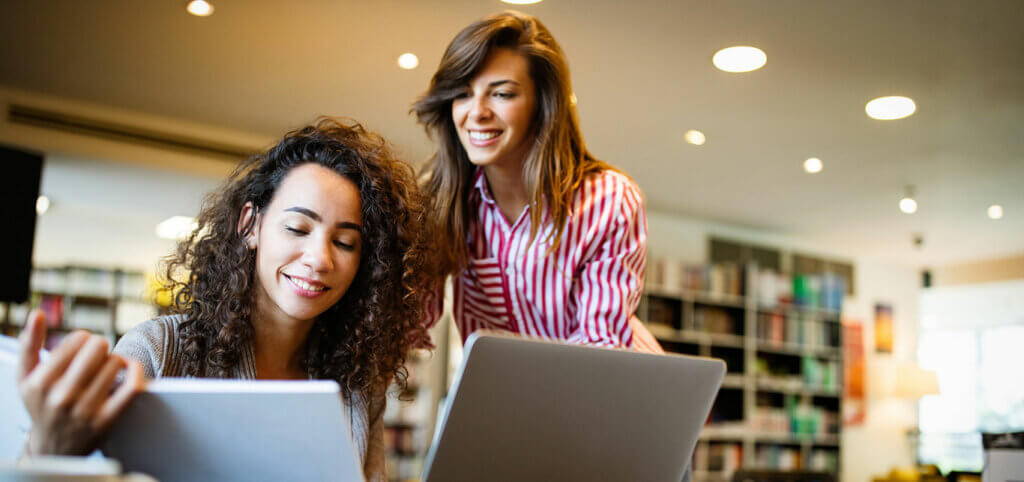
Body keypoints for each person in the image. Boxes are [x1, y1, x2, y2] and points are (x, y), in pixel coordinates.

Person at [16, 117, 429, 481]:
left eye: (344, 242)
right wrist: (48, 450)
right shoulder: (159, 351)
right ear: (251, 225)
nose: (320, 259)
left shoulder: (359, 388)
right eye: (298, 229)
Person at [413, 11, 662, 353]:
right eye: (463, 94)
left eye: (501, 94)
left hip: (620, 389)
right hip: (518, 391)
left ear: (543, 104)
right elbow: (407, 322)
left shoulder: (609, 200)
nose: (477, 112)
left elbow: (599, 346)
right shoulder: (442, 199)